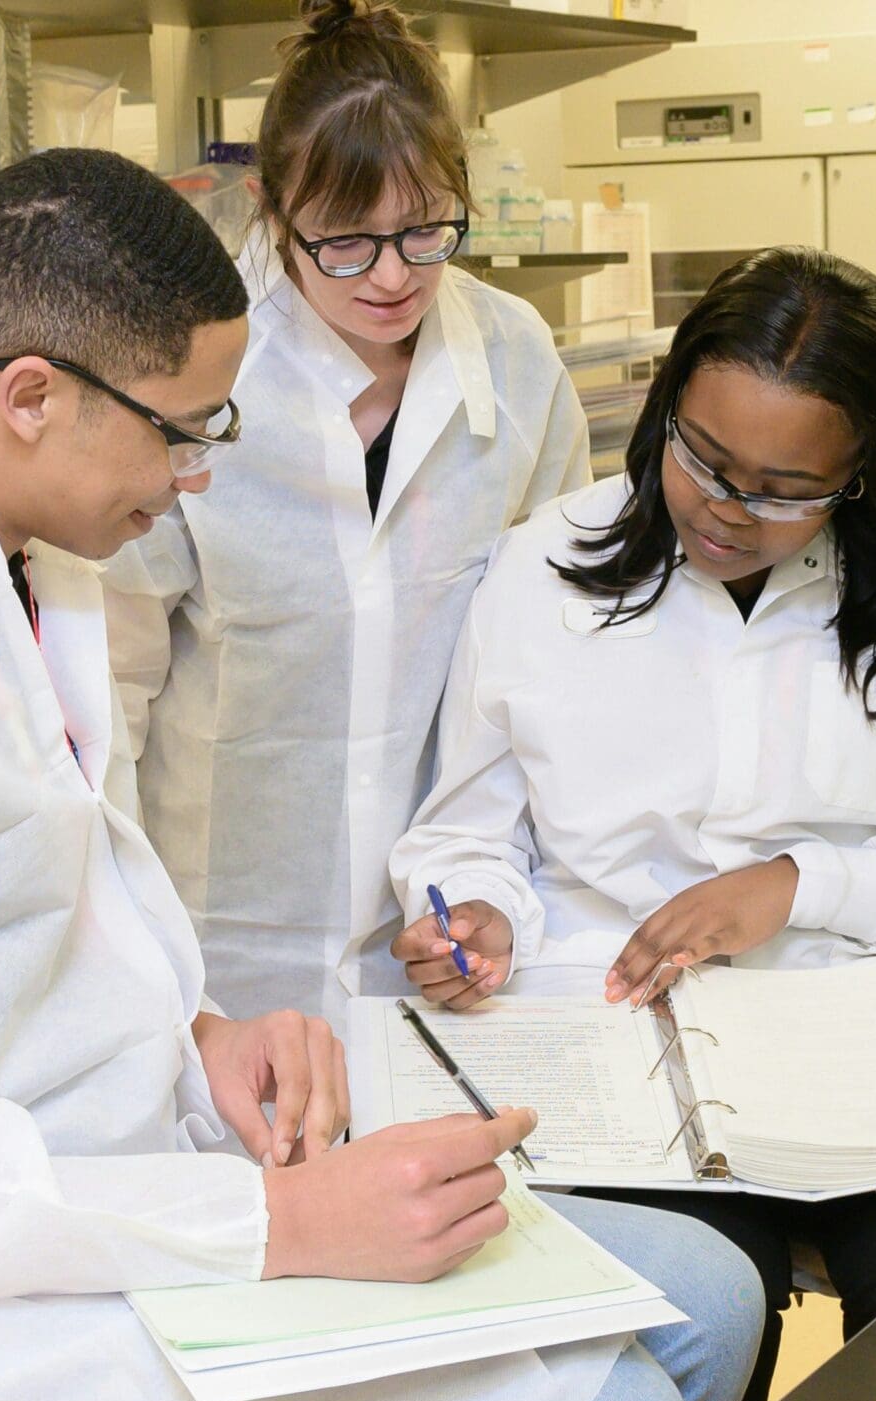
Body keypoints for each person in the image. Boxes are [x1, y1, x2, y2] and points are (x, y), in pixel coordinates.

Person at [0, 148, 758, 1401]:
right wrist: (280, 1223)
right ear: (32, 396)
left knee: (712, 1296)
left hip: (110, 1189)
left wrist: (202, 1038)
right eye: (183, 432)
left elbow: (31, 936)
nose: (197, 477)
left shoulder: (29, 574)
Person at [386, 246, 876, 1401]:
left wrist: (803, 886)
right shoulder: (543, 567)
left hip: (871, 1049)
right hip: (624, 1055)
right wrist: (475, 913)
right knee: (697, 1325)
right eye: (702, 459)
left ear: (863, 474)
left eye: (783, 489)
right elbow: (465, 831)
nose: (725, 508)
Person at [104, 0, 589, 1025]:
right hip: (217, 942)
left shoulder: (514, 360)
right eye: (345, 242)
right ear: (272, 209)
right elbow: (111, 683)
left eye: (426, 230)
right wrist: (114, 940)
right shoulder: (187, 373)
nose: (393, 276)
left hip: (443, 931)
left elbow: (548, 655)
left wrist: (497, 892)